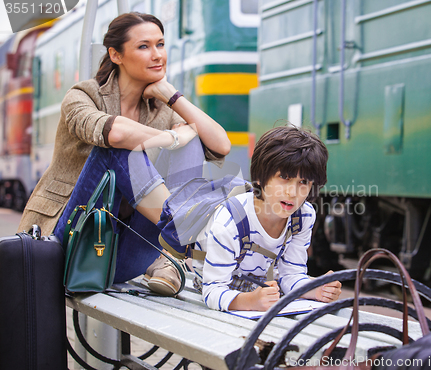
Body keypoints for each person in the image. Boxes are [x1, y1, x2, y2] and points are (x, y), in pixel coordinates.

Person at [18, 12, 230, 295]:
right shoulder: (82, 96)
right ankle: (184, 231)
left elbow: (221, 145)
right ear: (115, 54)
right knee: (116, 151)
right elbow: (115, 133)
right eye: (144, 47)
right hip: (70, 246)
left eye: (161, 44)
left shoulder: (160, 109)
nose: (157, 55)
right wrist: (173, 136)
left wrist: (172, 95)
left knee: (191, 143)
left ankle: (177, 238)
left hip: (123, 254)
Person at [190, 126, 342, 311]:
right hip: (215, 284)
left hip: (260, 287)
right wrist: (250, 301)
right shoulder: (231, 221)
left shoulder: (303, 216)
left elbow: (291, 275)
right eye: (284, 177)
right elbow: (212, 290)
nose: (292, 192)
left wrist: (314, 289)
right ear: (261, 178)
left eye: (304, 182)